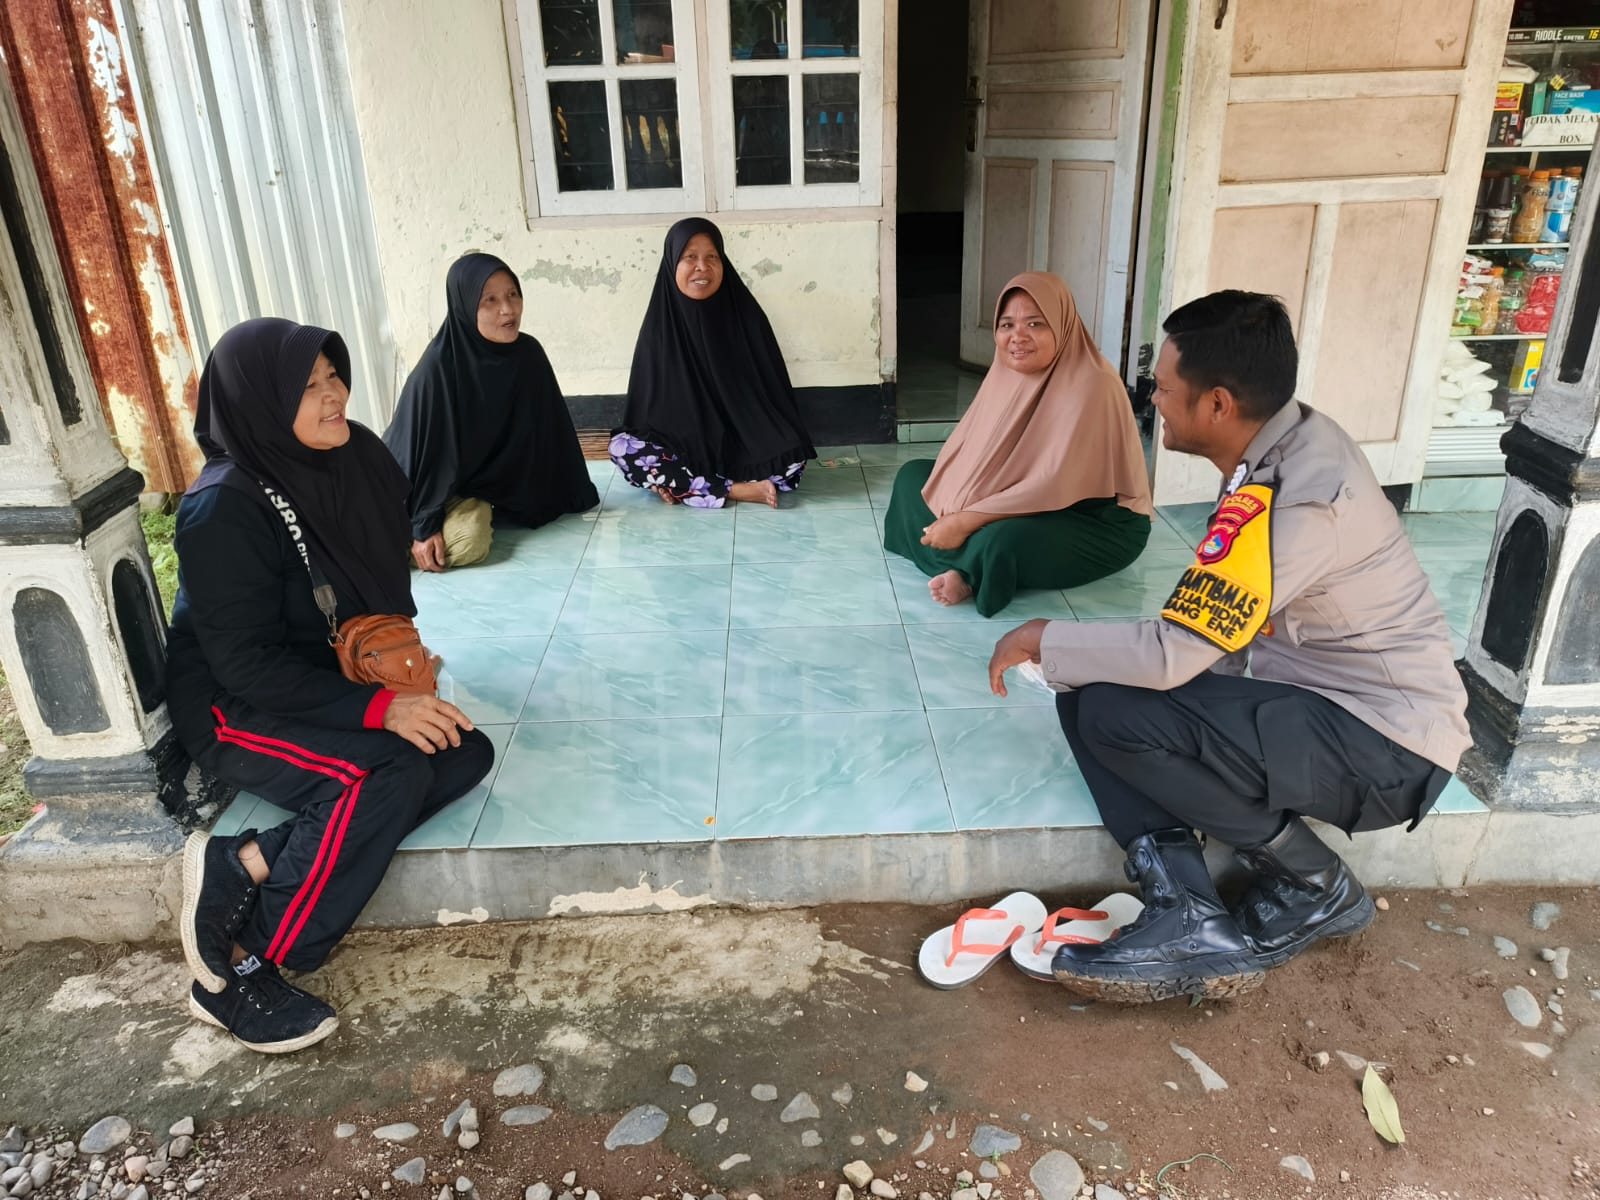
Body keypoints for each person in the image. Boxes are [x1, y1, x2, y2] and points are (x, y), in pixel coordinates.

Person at [987, 291, 1470, 1004]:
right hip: (1326, 707)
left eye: (1164, 388)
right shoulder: (1282, 445)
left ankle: (1308, 885)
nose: (1153, 398)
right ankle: (1185, 906)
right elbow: (1203, 632)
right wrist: (1073, 656)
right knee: (1086, 688)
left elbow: (1173, 654)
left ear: (1217, 404)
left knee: (1112, 707)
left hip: (1387, 745)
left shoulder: (1298, 502)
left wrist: (1040, 636)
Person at [169, 317, 494, 1052]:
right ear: (258, 403)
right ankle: (240, 963)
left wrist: (393, 685)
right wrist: (380, 708)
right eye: (308, 387)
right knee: (386, 771)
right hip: (231, 703)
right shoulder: (224, 506)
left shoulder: (353, 457)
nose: (334, 396)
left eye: (333, 376)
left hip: (321, 675)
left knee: (462, 750)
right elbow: (244, 665)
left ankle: (244, 860)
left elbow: (378, 586)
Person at [883, 273, 1152, 616]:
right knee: (913, 478)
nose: (1017, 337)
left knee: (1003, 540)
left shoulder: (1093, 383)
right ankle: (968, 561)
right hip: (1021, 496)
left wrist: (964, 520)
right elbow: (971, 451)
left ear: (1062, 325)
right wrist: (958, 499)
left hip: (1091, 519)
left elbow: (1052, 484)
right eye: (1007, 324)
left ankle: (969, 573)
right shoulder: (1006, 371)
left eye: (1035, 324)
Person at [385, 252, 598, 572]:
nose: (508, 309)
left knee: (476, 535)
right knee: (463, 542)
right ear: (465, 305)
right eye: (490, 300)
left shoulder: (527, 354)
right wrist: (424, 525)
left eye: (513, 294)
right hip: (418, 488)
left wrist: (566, 489)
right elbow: (421, 459)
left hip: (471, 486)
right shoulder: (438, 370)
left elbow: (549, 430)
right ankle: (390, 553)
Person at [610, 218, 816, 508]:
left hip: (744, 443)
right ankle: (736, 490)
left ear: (723, 262)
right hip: (685, 448)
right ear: (672, 263)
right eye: (689, 257)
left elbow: (773, 397)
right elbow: (646, 417)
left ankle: (684, 485)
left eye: (712, 257)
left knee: (792, 459)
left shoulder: (747, 318)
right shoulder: (659, 330)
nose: (702, 267)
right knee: (623, 448)